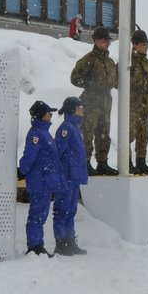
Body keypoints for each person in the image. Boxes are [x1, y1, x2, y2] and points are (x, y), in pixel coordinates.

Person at [68, 26, 119, 175]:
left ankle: (102, 162)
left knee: (104, 133)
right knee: (88, 133)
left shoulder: (110, 62)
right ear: (96, 41)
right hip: (90, 102)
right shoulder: (88, 59)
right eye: (103, 40)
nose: (106, 43)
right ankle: (85, 163)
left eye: (107, 40)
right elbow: (74, 78)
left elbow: (114, 81)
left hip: (105, 101)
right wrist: (91, 84)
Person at [18, 100, 61, 257]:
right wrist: (23, 170)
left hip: (46, 180)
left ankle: (38, 244)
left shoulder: (44, 132)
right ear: (42, 114)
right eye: (49, 112)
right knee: (37, 214)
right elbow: (29, 156)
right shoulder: (36, 133)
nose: (51, 115)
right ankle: (34, 246)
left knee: (41, 214)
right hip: (40, 179)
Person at [52, 97, 89, 255]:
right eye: (80, 107)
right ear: (72, 109)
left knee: (71, 210)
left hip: (74, 176)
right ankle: (61, 243)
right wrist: (60, 172)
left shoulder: (75, 128)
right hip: (66, 175)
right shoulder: (66, 128)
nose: (82, 110)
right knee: (62, 210)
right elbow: (57, 152)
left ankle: (70, 241)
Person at [128, 28, 148, 175]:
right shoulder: (128, 62)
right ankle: (128, 163)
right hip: (132, 105)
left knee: (143, 135)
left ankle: (141, 162)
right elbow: (118, 83)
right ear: (135, 45)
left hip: (145, 105)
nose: (145, 47)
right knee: (129, 136)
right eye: (143, 44)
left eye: (146, 44)